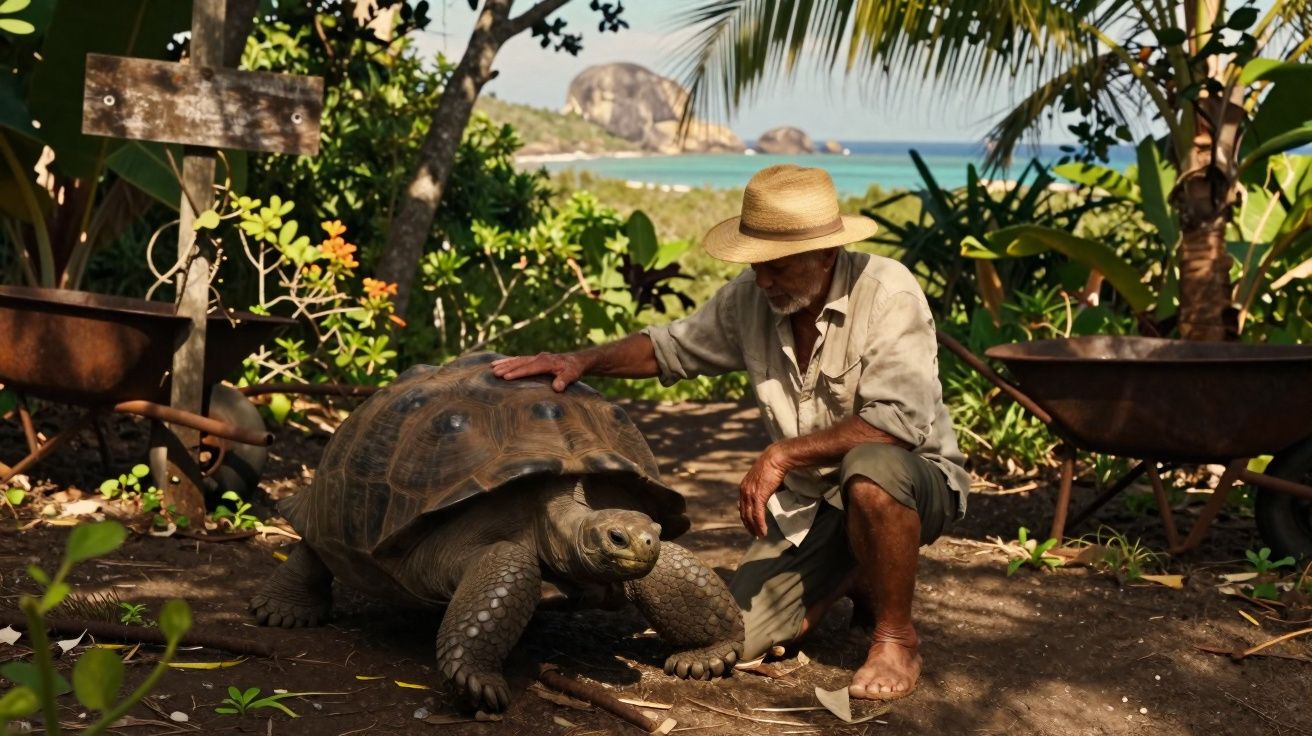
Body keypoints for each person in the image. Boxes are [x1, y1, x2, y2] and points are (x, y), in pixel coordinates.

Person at [491, 164, 969, 701]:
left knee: (871, 472)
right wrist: (581, 360)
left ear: (826, 254)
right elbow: (668, 347)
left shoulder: (887, 293)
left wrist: (782, 456)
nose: (762, 280)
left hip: (912, 485)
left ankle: (896, 636)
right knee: (731, 639)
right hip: (816, 504)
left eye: (777, 267)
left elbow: (897, 426)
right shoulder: (753, 297)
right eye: (755, 264)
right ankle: (854, 568)